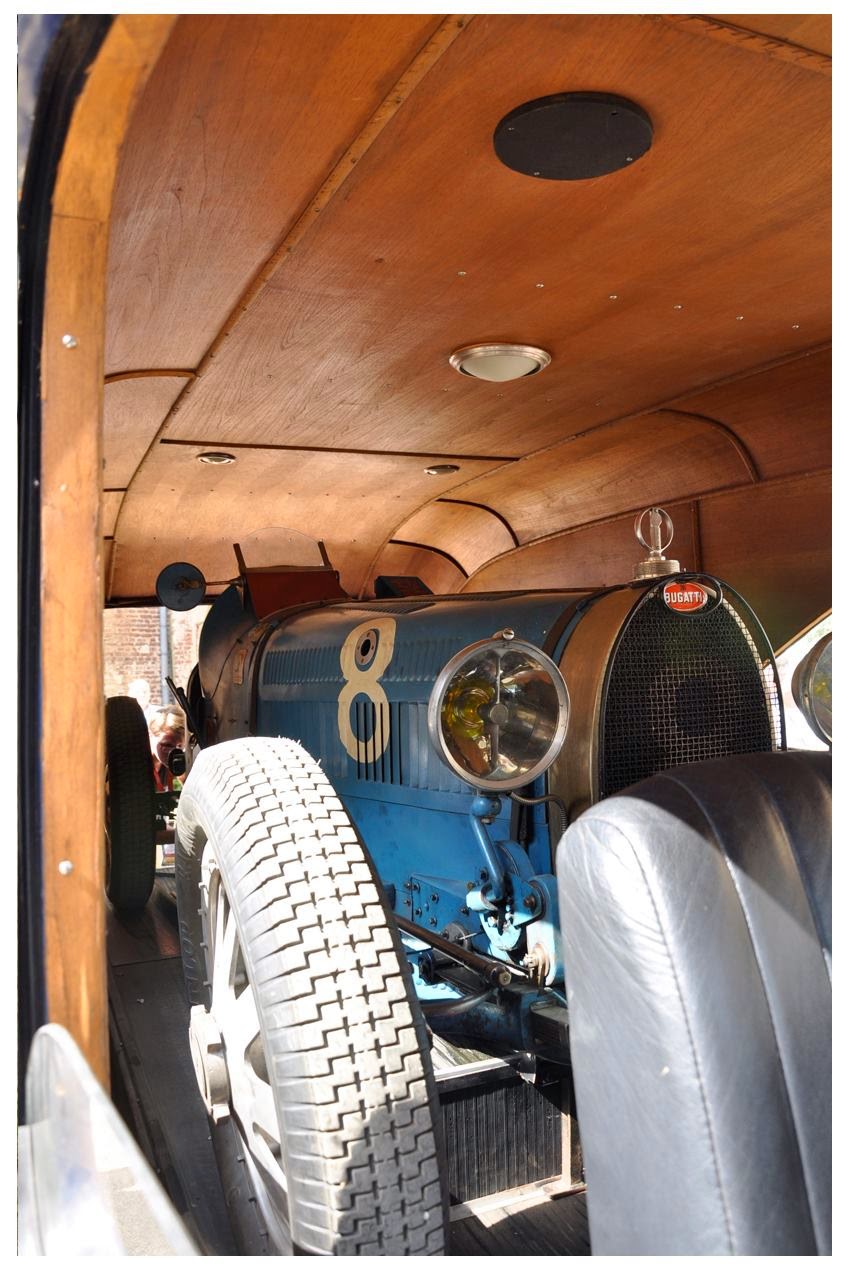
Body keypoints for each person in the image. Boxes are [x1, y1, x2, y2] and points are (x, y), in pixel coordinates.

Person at [147, 706, 186, 792]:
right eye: (167, 745)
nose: (174, 752)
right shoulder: (137, 767)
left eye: (180, 746)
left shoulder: (174, 762)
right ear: (150, 736)